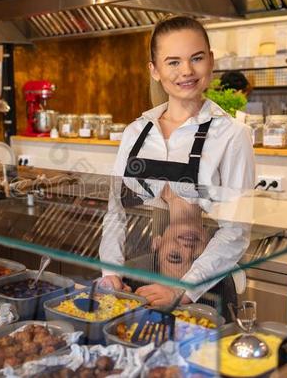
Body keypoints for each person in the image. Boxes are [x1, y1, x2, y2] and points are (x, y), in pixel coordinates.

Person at [98, 15, 255, 314]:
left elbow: (235, 232)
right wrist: (110, 274)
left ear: (210, 60)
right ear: (154, 70)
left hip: (205, 289)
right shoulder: (136, 133)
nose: (186, 71)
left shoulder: (233, 135)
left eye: (196, 58)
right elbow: (116, 213)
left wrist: (183, 290)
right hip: (142, 278)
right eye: (173, 62)